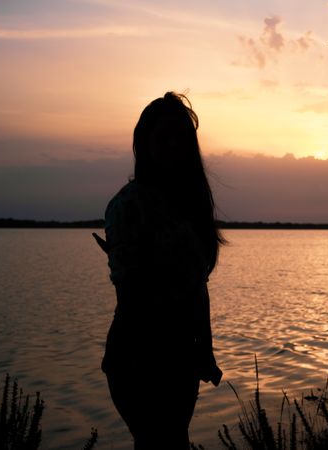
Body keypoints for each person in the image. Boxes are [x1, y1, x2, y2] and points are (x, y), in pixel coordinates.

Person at [94, 92, 224, 449]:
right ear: (144, 144)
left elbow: (198, 287)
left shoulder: (187, 206)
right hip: (141, 360)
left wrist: (206, 351)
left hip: (181, 360)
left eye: (180, 138)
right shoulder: (129, 204)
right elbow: (133, 296)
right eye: (163, 137)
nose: (172, 146)